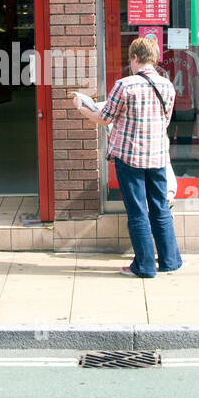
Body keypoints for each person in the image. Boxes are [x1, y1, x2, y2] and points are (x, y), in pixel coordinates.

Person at [75, 35, 183, 278]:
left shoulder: (125, 85)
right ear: (153, 58)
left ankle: (144, 266)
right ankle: (170, 261)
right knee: (160, 207)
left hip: (129, 156)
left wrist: (83, 108)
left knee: (137, 211)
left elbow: (105, 118)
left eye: (131, 59)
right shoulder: (167, 86)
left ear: (135, 58)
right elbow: (164, 122)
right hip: (157, 156)